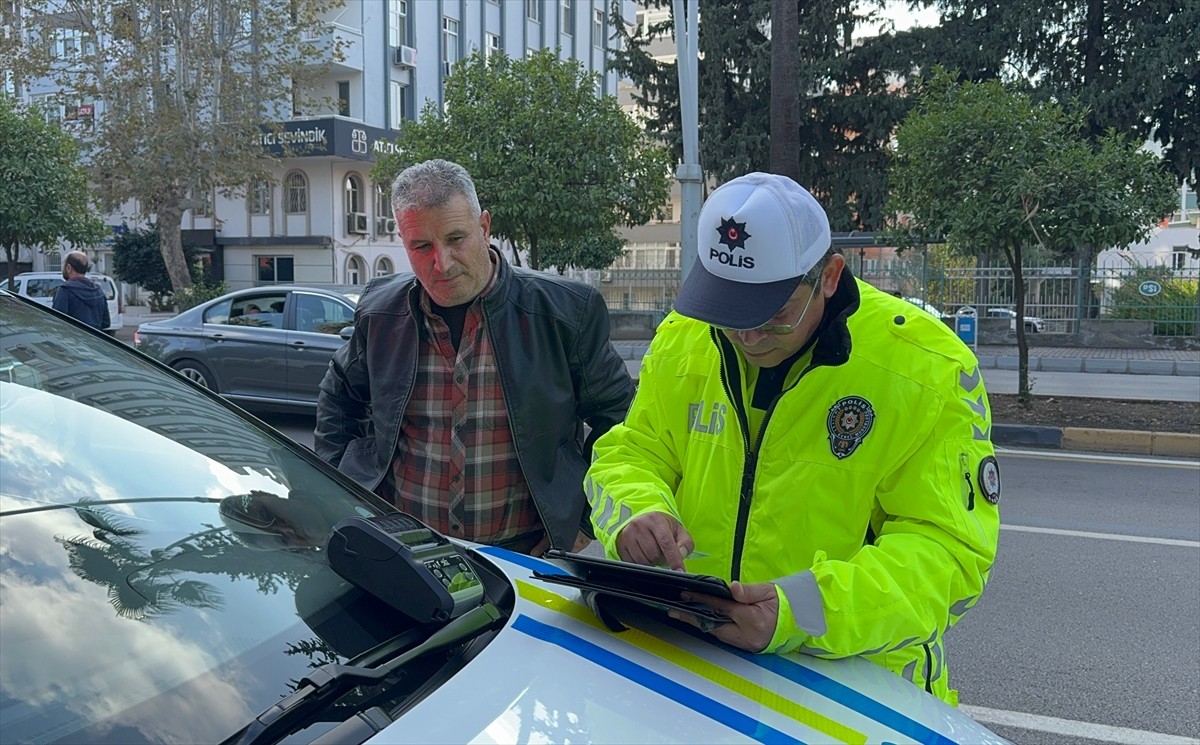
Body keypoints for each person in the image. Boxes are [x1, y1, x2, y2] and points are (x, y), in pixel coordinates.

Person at [584, 172, 1000, 704]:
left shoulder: (925, 367)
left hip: (855, 695)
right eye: (730, 310)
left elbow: (948, 556)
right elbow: (632, 452)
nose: (749, 336)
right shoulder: (688, 335)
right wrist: (635, 514)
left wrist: (800, 610)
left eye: (773, 314)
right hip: (696, 666)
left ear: (829, 276)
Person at [315, 159, 635, 556]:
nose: (441, 263)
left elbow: (619, 419)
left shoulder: (564, 311)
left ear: (484, 227)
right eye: (421, 246)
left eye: (455, 238)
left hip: (525, 552)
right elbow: (340, 395)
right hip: (404, 545)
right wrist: (339, 487)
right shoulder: (380, 310)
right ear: (403, 240)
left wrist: (582, 523)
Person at [52, 251, 110, 331]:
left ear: (68, 268)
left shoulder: (65, 290)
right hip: (94, 341)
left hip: (71, 341)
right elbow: (106, 323)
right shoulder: (98, 290)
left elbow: (57, 322)